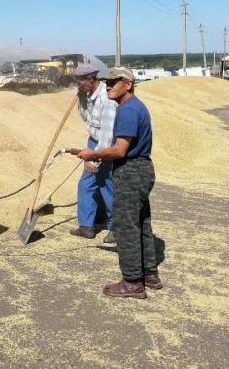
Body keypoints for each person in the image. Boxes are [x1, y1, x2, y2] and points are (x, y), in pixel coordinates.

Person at [76, 67, 162, 299]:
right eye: (108, 81)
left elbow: (120, 149)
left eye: (115, 81)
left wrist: (93, 155)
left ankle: (132, 282)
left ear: (129, 84)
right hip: (141, 168)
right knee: (141, 223)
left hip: (132, 170)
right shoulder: (133, 107)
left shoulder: (128, 110)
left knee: (125, 227)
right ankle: (149, 275)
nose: (109, 85)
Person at [69, 63, 116, 243]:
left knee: (106, 185)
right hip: (93, 141)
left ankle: (115, 228)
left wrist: (95, 159)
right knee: (86, 185)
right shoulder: (88, 95)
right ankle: (87, 226)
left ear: (90, 79)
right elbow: (86, 119)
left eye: (79, 81)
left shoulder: (107, 98)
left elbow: (108, 133)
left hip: (106, 146)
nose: (77, 85)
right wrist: (81, 99)